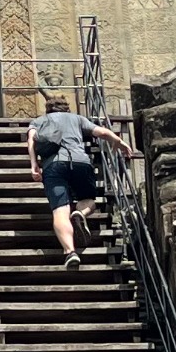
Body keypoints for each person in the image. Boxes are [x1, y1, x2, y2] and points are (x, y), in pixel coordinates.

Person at [25, 93, 131, 272]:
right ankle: (81, 214)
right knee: (89, 199)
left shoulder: (38, 121)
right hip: (80, 161)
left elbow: (31, 141)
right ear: (67, 108)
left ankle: (70, 251)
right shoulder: (77, 119)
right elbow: (101, 132)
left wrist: (34, 164)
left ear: (48, 109)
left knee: (60, 211)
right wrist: (119, 141)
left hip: (54, 165)